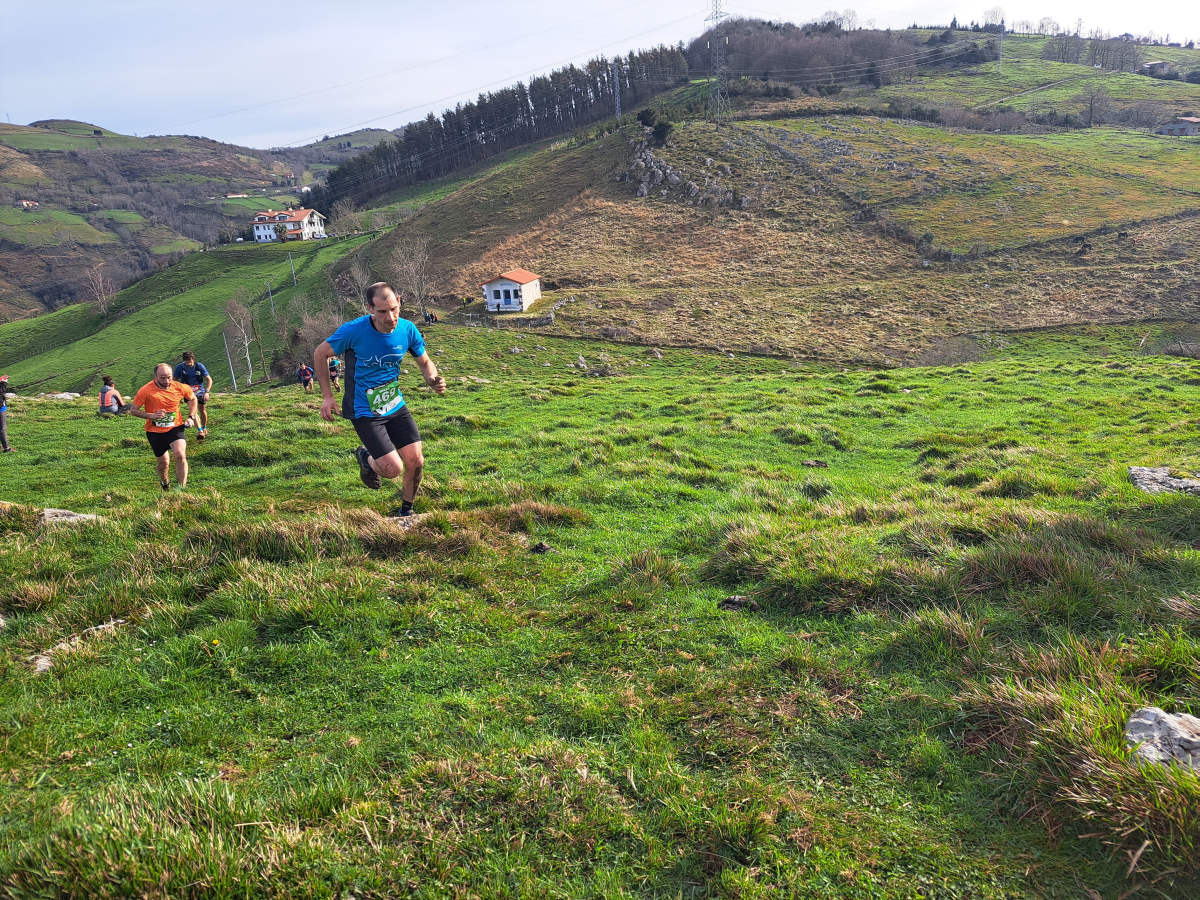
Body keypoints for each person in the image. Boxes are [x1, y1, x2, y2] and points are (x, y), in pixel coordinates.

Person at [314, 282, 446, 517]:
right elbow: (320, 353)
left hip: (394, 403)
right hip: (364, 409)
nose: (391, 317)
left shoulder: (407, 329)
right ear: (370, 309)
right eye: (383, 312)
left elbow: (425, 363)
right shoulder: (353, 331)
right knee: (392, 469)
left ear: (399, 303)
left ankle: (407, 510)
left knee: (416, 460)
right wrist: (327, 397)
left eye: (394, 309)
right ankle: (366, 457)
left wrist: (433, 379)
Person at [129, 363, 198, 492]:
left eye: (169, 377)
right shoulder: (145, 390)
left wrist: (191, 416)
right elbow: (133, 410)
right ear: (155, 376)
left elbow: (192, 399)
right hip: (154, 431)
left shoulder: (180, 387)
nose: (166, 381)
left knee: (180, 455)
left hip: (175, 427)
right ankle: (165, 483)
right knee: (164, 463)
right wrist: (152, 415)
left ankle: (180, 490)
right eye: (162, 378)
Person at [173, 351, 212, 441]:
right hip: (188, 392)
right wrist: (178, 395)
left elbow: (209, 379)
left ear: (193, 359)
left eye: (190, 362)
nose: (188, 364)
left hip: (200, 391)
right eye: (186, 362)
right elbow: (173, 382)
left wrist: (207, 392)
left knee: (202, 410)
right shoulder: (179, 368)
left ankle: (204, 427)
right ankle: (200, 431)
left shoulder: (199, 366)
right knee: (193, 411)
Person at [0, 374, 13, 453]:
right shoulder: (1, 387)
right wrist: (3, 383)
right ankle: (6, 448)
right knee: (2, 428)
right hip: (1, 409)